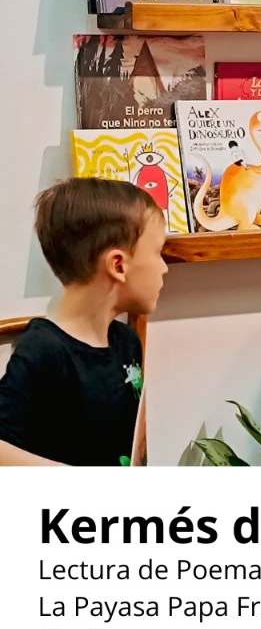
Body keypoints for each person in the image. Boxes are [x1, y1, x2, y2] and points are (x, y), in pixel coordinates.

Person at [0, 179, 167, 466]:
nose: (164, 268)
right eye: (158, 252)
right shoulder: (43, 350)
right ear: (118, 265)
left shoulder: (126, 341)